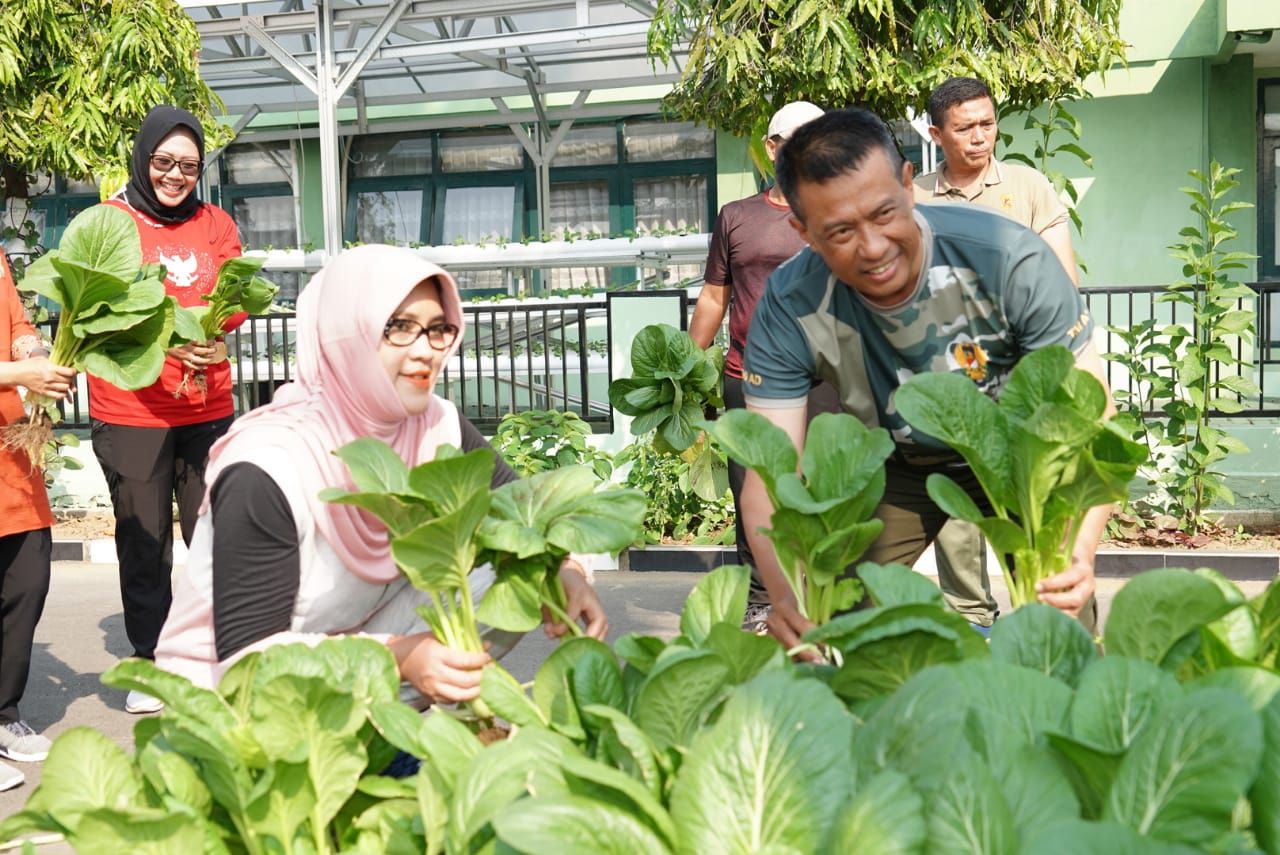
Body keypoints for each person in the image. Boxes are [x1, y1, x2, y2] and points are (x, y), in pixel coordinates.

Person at [154, 245, 607, 703]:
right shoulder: (269, 465)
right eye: (400, 329)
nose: (426, 352)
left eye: (437, 329)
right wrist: (397, 656)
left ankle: (387, 736)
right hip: (234, 699)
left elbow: (522, 510)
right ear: (345, 336)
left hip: (351, 652)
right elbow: (246, 660)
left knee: (518, 568)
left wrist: (565, 568)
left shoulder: (433, 425)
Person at [739, 108, 1111, 651]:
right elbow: (768, 474)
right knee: (833, 614)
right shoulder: (791, 303)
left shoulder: (1006, 258)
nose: (872, 247)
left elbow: (1091, 416)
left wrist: (1080, 551)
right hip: (896, 462)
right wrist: (786, 596)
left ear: (910, 186)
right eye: (839, 231)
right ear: (802, 231)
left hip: (1019, 457)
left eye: (884, 212)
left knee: (1059, 614)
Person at [88, 105, 245, 714]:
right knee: (144, 541)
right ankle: (151, 661)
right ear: (143, 156)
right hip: (133, 411)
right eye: (164, 162)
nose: (176, 175)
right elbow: (93, 313)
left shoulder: (216, 223)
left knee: (212, 536)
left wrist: (220, 328)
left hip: (206, 404)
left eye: (188, 165)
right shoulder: (110, 222)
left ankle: (209, 651)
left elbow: (235, 294)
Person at [912, 76, 1082, 629]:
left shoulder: (1029, 187)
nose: (981, 136)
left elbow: (1061, 277)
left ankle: (1045, 617)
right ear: (937, 134)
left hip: (1022, 368)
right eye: (965, 128)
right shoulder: (916, 198)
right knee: (960, 499)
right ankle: (971, 620)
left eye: (987, 123)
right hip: (949, 368)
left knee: (1028, 497)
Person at [689, 101, 838, 632]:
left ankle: (821, 600)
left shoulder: (835, 210)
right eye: (793, 140)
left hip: (825, 377)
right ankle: (762, 598)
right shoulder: (737, 216)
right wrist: (686, 369)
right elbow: (713, 298)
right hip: (746, 376)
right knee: (752, 491)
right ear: (771, 149)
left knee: (823, 490)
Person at [0, 250, 77, 790]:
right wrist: (19, 373)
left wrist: (36, 351)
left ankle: (4, 715)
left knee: (27, 581)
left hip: (9, 450)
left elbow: (17, 323)